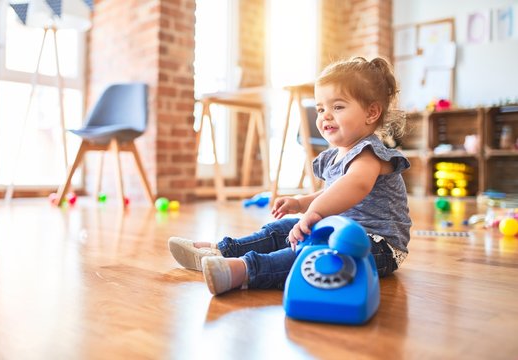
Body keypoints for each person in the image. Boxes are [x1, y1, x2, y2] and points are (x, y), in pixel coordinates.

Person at [169, 56, 411, 295]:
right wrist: (300, 202)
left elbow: (356, 185)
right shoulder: (335, 155)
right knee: (281, 229)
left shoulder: (370, 153)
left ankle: (242, 271)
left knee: (313, 250)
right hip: (339, 229)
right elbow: (331, 192)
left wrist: (315, 211)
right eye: (320, 108)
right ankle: (222, 251)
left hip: (378, 246)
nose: (325, 115)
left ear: (371, 113)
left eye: (337, 107)